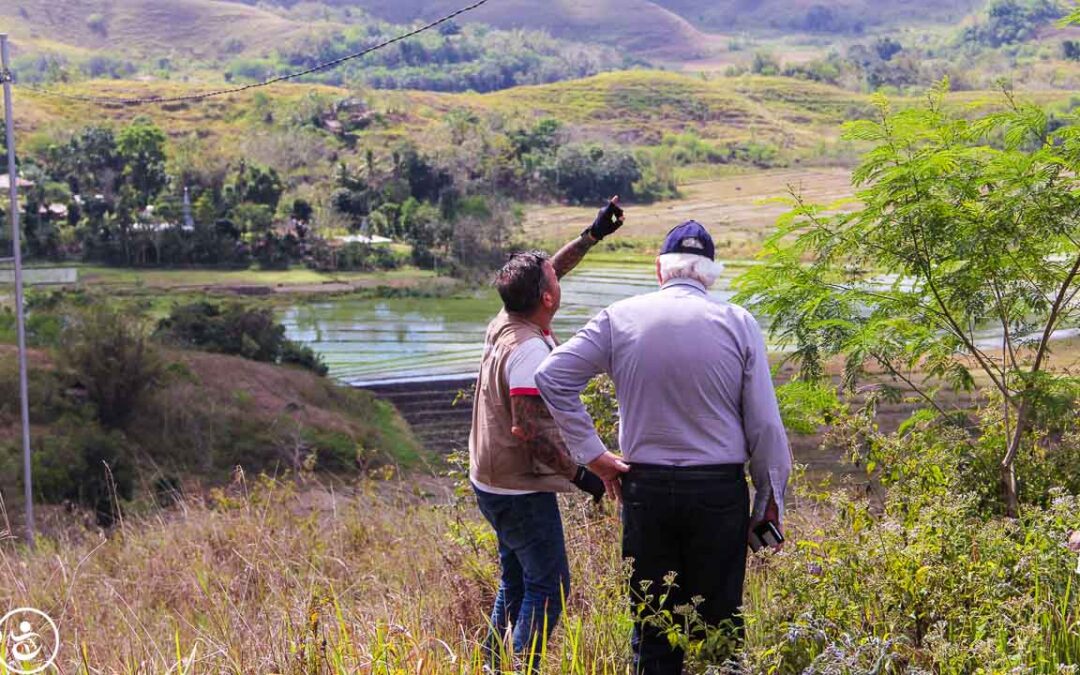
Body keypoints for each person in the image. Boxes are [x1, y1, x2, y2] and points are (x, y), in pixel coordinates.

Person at [534, 220, 792, 674]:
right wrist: (769, 502)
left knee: (653, 628)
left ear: (659, 270)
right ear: (710, 275)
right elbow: (766, 426)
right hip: (717, 494)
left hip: (645, 490)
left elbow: (551, 376)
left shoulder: (621, 317)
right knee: (720, 628)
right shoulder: (738, 323)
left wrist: (595, 456)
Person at [468, 196, 632, 670]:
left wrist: (592, 235)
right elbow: (529, 430)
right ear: (547, 299)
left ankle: (494, 666)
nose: (558, 277)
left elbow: (547, 272)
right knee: (550, 585)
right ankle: (521, 667)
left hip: (491, 480)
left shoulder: (508, 318)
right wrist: (583, 475)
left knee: (516, 580)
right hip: (516, 489)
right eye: (554, 281)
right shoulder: (529, 354)